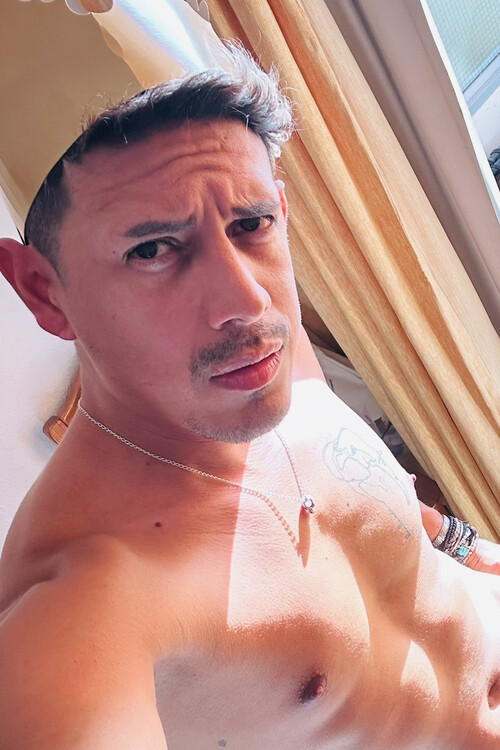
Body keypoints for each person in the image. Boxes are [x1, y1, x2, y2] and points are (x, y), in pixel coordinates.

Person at [0, 46, 499, 750]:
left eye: (250, 224)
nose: (247, 299)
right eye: (153, 250)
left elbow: (362, 497)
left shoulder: (266, 361)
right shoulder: (80, 600)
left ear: (281, 209)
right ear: (43, 291)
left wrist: (463, 545)